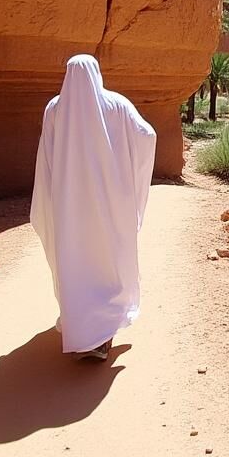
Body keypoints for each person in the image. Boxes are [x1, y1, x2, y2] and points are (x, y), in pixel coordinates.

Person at [31, 54, 156, 360]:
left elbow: (45, 153)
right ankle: (101, 334)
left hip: (68, 206)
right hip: (111, 204)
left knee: (76, 262)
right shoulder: (117, 104)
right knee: (108, 260)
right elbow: (147, 135)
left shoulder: (55, 108)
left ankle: (84, 328)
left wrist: (51, 193)